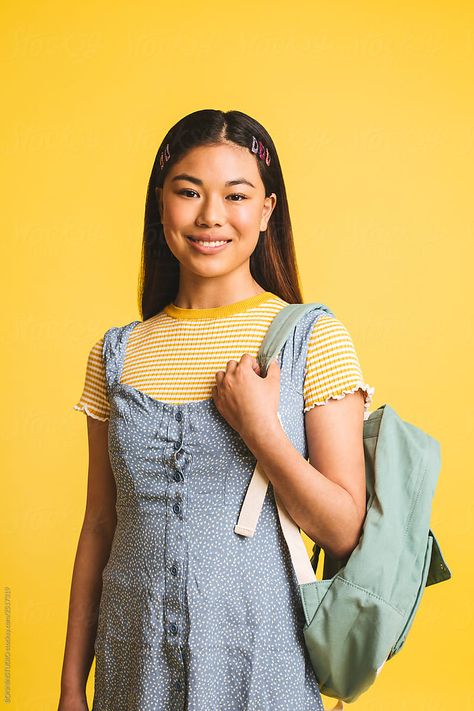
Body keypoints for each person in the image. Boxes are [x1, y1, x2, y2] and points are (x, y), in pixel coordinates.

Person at [58, 109, 375, 711]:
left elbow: (344, 528)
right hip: (134, 664)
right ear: (161, 205)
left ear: (266, 210)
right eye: (188, 192)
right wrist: (73, 684)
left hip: (265, 663)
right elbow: (100, 523)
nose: (210, 216)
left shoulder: (313, 338)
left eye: (236, 194)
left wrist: (262, 431)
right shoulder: (116, 353)